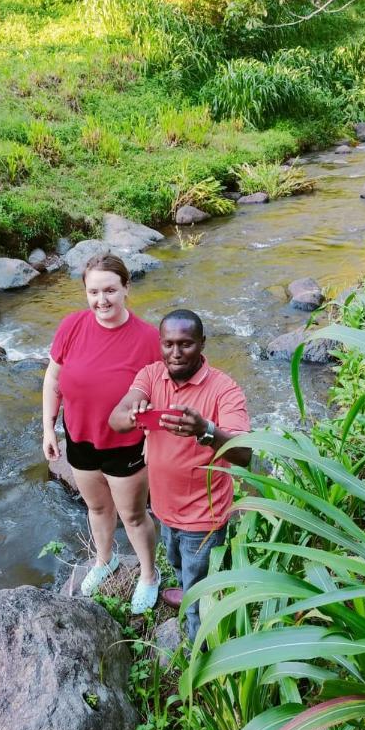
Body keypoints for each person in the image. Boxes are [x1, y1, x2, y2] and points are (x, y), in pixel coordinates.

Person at [109, 309, 251, 640]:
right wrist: (132, 413)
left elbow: (245, 453)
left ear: (202, 343)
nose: (175, 353)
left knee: (201, 591)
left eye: (185, 344)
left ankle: (197, 647)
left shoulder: (224, 389)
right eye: (168, 344)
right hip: (163, 508)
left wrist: (206, 430)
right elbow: (116, 419)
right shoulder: (150, 376)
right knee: (176, 564)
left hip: (204, 517)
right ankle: (185, 588)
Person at [42, 253, 161, 613]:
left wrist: (155, 441)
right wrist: (48, 427)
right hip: (79, 438)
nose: (102, 300)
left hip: (125, 444)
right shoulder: (72, 326)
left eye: (110, 290)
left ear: (126, 288)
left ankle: (149, 574)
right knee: (96, 506)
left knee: (134, 516)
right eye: (93, 292)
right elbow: (53, 379)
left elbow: (161, 397)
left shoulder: (148, 339)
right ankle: (104, 559)